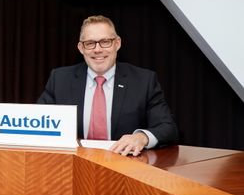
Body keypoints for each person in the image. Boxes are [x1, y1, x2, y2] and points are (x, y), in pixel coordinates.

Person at [37, 15, 177, 156]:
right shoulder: (60, 79)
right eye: (90, 43)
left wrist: (141, 137)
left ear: (117, 43)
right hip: (73, 163)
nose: (97, 49)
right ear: (81, 48)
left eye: (105, 42)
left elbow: (168, 128)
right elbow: (37, 122)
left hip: (126, 164)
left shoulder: (143, 81)